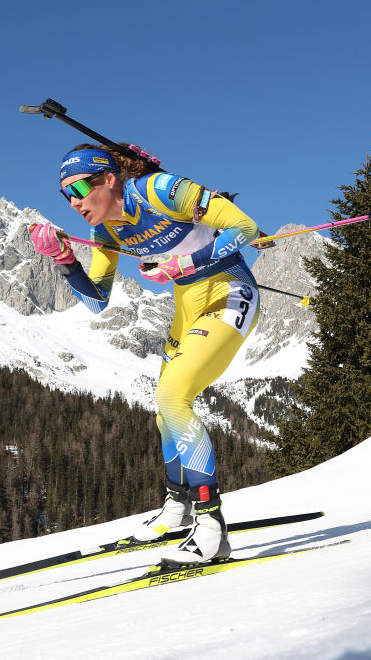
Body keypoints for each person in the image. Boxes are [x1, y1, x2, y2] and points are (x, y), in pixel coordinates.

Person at [29, 144, 261, 564]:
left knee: (173, 397)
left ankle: (211, 525)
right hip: (188, 308)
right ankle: (178, 507)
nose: (74, 202)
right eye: (66, 195)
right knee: (164, 414)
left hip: (231, 293)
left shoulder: (160, 190)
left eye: (80, 187)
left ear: (110, 178)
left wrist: (185, 265)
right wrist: (63, 260)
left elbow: (245, 228)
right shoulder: (106, 233)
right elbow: (98, 300)